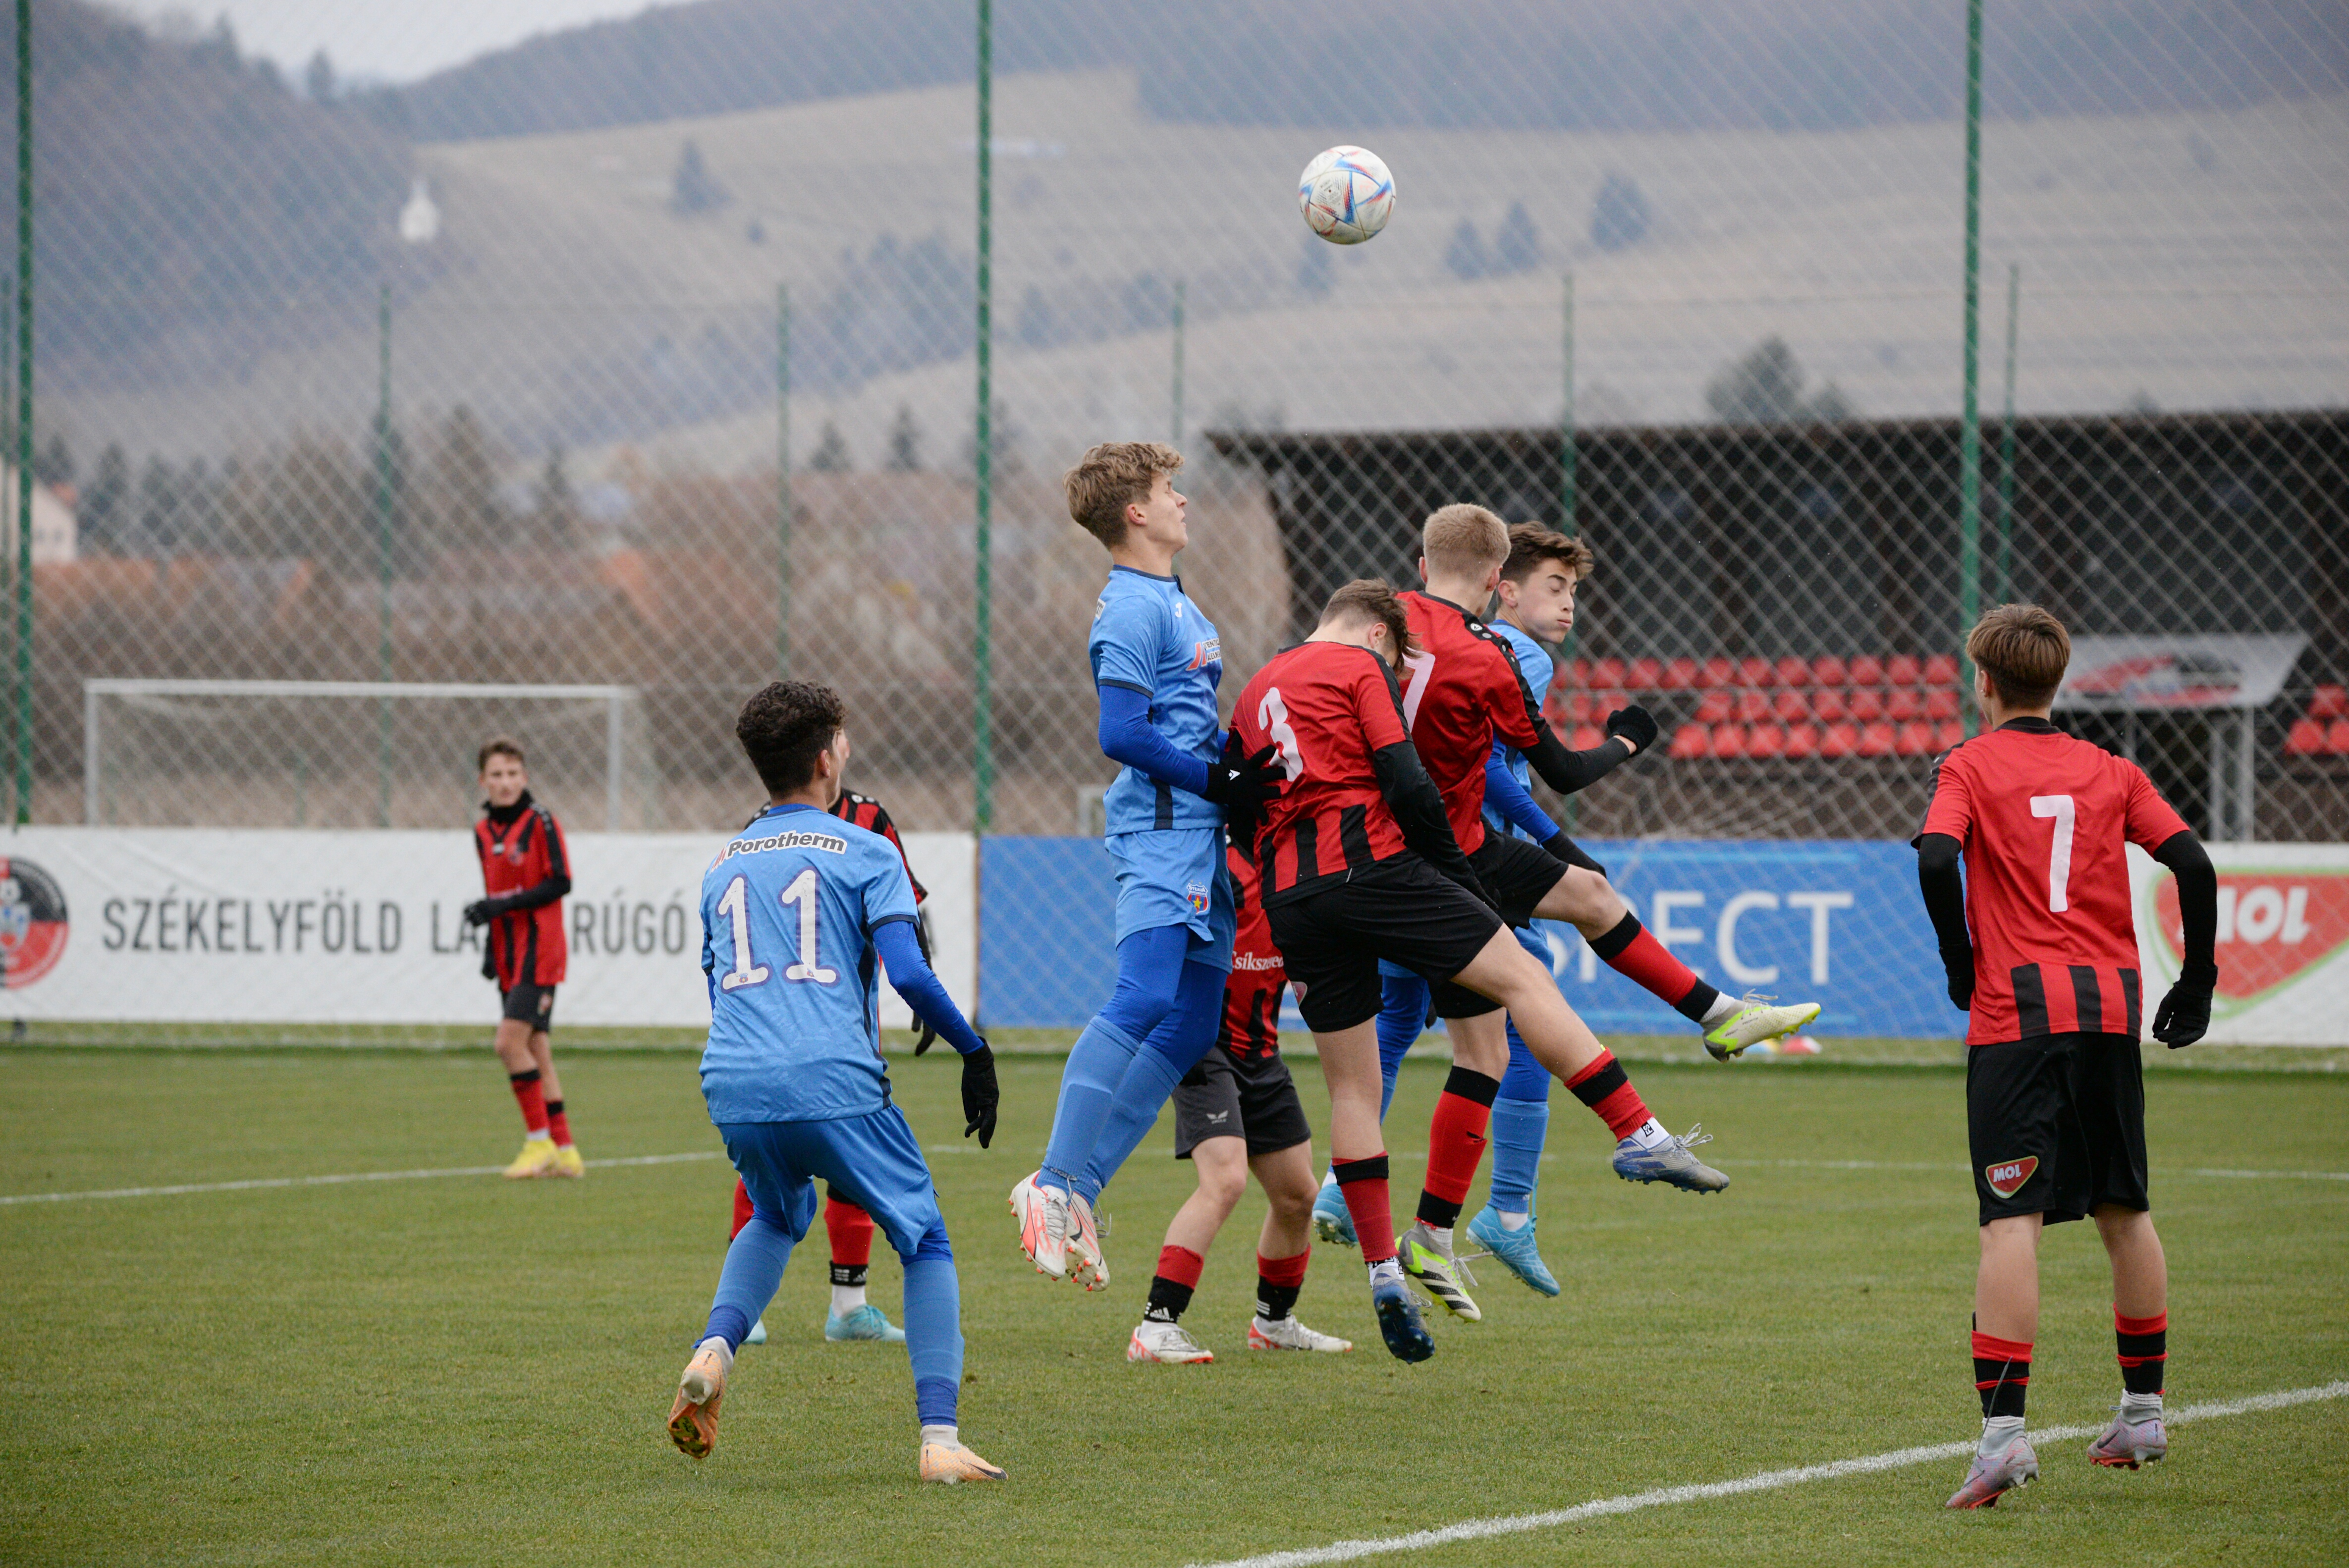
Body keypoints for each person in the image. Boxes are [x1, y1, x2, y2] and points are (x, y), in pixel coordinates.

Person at [1312, 509, 1815, 1318]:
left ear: (1420, 561)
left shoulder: (1375, 631)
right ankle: (1635, 1130)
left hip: (1364, 850)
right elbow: (1557, 770)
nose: (1567, 601)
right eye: (1552, 586)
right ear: (1494, 581)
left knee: (1485, 1032)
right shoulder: (1493, 656)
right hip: (1447, 854)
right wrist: (1627, 741)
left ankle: (1433, 1235)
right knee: (1525, 994)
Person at [1230, 579, 1727, 1363]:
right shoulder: (1360, 664)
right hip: (1379, 869)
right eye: (1397, 661)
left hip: (1292, 897)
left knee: (1355, 1092)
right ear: (1374, 634)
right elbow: (1407, 779)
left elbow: (1240, 801)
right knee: (1527, 980)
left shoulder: (1257, 687)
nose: (1398, 676)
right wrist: (1461, 881)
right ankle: (1637, 1130)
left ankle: (1385, 1268)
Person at [1914, 604, 2217, 1510]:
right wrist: (2196, 980)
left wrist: (1959, 961)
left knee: (2010, 1220)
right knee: (2124, 1205)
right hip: (2109, 1011)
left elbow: (1936, 858)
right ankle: (2142, 1410)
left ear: (1985, 682)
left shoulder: (1968, 763)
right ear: (2058, 679)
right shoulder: (2111, 769)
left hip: (2018, 1019)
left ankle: (2004, 1437)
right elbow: (2192, 865)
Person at [666, 681, 1006, 1484]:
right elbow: (911, 978)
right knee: (924, 1239)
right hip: (831, 1074)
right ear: (827, 760)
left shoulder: (723, 864)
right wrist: (973, 1049)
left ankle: (715, 1348)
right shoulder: (865, 848)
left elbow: (718, 987)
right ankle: (939, 1439)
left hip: (734, 1075)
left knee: (778, 1217)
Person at [1009, 441, 1277, 1292]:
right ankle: (1050, 1182)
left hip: (1199, 835)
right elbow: (1120, 734)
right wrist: (1215, 778)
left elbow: (1185, 715)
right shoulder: (1130, 606)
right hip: (1163, 834)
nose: (1184, 502)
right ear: (1136, 513)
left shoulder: (1172, 599)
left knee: (1195, 1020)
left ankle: (1080, 1191)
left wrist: (1237, 774)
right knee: (1145, 997)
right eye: (1170, 491)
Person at [1127, 838, 1353, 1364]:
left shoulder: (1309, 863)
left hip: (1261, 1051)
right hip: (1201, 1043)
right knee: (1225, 1180)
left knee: (1298, 1195)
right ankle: (1155, 1327)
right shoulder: (1215, 863)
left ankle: (1273, 1323)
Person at [732, 787, 937, 1348]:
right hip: (785, 1033)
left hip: (843, 1034)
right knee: (770, 1162)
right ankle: (746, 1310)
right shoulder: (764, 826)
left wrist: (924, 977)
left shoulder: (870, 818)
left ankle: (849, 1305)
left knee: (849, 1162)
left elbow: (907, 908)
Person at [465, 738, 582, 1180]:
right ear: (483, 781)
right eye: (496, 774)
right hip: (508, 953)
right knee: (536, 1049)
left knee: (508, 1044)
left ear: (525, 777)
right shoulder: (481, 833)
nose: (505, 782)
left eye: (513, 773)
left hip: (540, 951)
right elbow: (496, 894)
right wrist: (489, 948)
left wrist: (498, 907)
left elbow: (560, 882)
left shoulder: (541, 822)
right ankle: (565, 1149)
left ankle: (538, 1142)